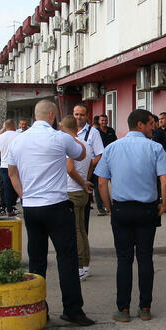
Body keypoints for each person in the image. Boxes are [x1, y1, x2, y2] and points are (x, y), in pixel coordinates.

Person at [8, 100, 94, 326]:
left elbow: (12, 173)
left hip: (31, 207)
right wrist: (69, 133)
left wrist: (24, 195)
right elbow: (81, 154)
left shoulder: (18, 141)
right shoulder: (60, 137)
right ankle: (72, 310)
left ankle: (38, 307)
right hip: (56, 205)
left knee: (36, 259)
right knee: (67, 258)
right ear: (53, 116)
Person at [95, 109, 166, 323]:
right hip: (147, 210)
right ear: (140, 125)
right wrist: (164, 204)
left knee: (124, 259)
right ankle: (145, 307)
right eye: (151, 123)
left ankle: (123, 309)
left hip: (121, 209)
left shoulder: (112, 147)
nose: (154, 127)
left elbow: (101, 182)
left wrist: (109, 207)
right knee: (145, 258)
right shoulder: (155, 148)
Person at [71, 103, 104, 275]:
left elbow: (99, 154)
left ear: (87, 116)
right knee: (74, 223)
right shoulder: (68, 133)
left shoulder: (93, 133)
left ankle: (82, 256)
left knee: (82, 223)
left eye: (81, 115)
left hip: (85, 179)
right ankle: (79, 254)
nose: (78, 117)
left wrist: (87, 171)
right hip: (69, 184)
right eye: (76, 114)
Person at [60, 116, 93, 280]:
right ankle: (85, 264)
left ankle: (79, 266)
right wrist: (86, 180)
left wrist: (82, 182)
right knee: (81, 228)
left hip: (72, 190)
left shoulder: (70, 144)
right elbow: (91, 164)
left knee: (75, 230)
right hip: (81, 192)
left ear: (63, 128)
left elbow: (70, 169)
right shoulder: (85, 144)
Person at [93, 114, 118, 215]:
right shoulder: (95, 132)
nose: (104, 122)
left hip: (112, 160)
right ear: (99, 122)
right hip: (100, 160)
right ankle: (100, 207)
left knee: (115, 181)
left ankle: (115, 203)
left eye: (105, 120)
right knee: (99, 184)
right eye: (102, 120)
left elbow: (116, 143)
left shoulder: (111, 131)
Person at [0, 119, 19, 215]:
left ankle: (7, 208)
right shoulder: (18, 136)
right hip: (16, 165)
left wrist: (3, 155)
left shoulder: (0, 137)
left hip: (4, 165)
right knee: (17, 186)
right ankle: (13, 206)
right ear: (14, 126)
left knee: (5, 187)